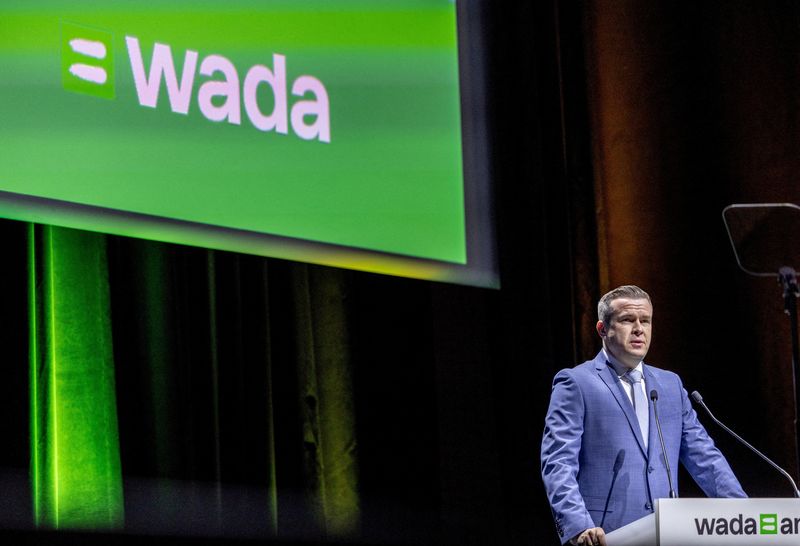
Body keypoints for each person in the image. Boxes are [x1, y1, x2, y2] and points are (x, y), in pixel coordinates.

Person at [540, 285, 745, 546]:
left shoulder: (669, 385)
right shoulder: (576, 383)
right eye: (627, 320)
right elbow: (558, 461)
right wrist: (578, 525)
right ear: (602, 329)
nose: (639, 328)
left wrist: (741, 512)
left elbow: (704, 456)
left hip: (667, 533)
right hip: (605, 536)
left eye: (645, 321)